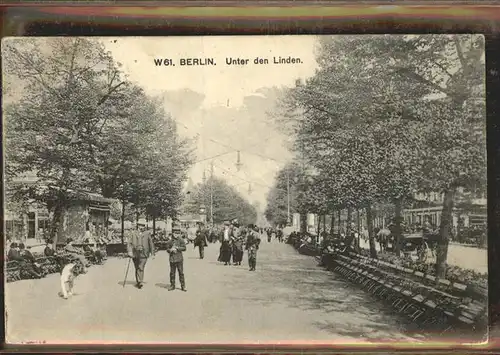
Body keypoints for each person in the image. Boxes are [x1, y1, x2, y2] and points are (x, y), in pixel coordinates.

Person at [127, 224, 155, 289]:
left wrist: (152, 253)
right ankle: (138, 281)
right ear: (138, 225)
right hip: (135, 253)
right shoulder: (133, 233)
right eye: (140, 225)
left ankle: (140, 282)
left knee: (141, 267)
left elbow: (151, 243)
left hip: (144, 253)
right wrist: (130, 251)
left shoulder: (147, 233)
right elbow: (129, 243)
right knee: (137, 267)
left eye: (143, 225)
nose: (142, 227)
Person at [166, 226, 187, 291]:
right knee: (172, 273)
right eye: (175, 233)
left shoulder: (181, 240)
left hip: (179, 259)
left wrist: (178, 248)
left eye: (177, 233)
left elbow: (184, 248)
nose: (176, 234)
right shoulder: (169, 241)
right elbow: (167, 249)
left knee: (181, 272)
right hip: (172, 259)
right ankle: (172, 285)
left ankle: (183, 286)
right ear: (172, 233)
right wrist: (170, 250)